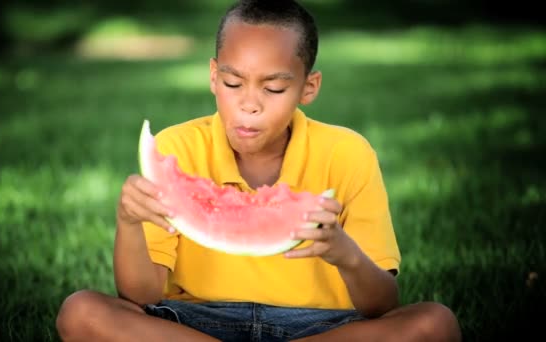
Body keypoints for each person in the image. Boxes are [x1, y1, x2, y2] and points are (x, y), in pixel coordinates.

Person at [55, 0, 462, 341]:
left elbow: (382, 304)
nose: (250, 104)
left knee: (435, 324)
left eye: (273, 88)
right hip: (197, 326)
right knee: (80, 313)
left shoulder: (348, 153)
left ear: (309, 87)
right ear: (214, 77)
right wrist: (128, 221)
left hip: (318, 330)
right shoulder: (176, 149)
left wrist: (347, 256)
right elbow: (141, 295)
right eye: (234, 84)